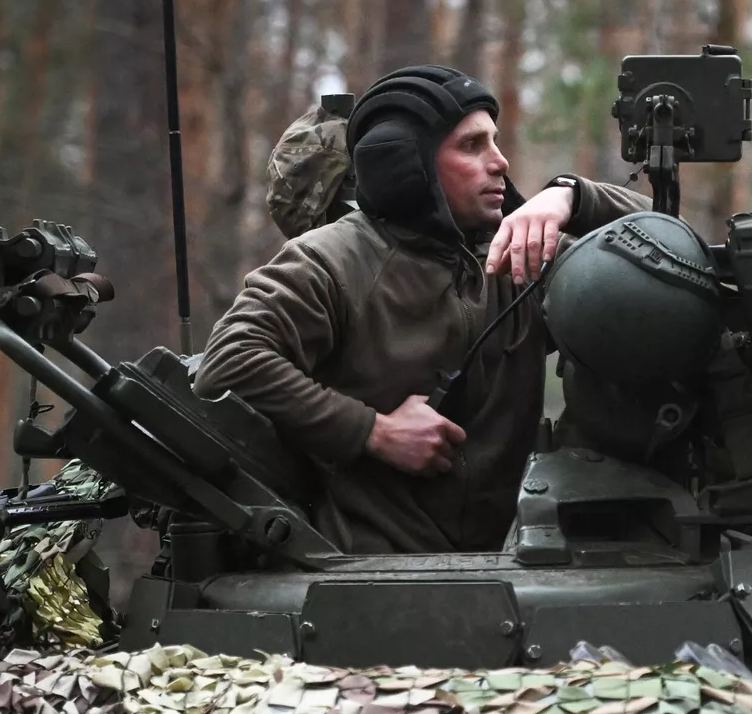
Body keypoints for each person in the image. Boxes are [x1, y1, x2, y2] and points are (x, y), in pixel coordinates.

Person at [193, 65, 647, 554]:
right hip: (366, 576)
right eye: (472, 146)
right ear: (407, 165)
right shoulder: (332, 260)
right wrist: (372, 431)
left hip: (503, 569)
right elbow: (229, 362)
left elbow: (673, 258)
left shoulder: (517, 257)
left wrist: (572, 196)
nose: (500, 162)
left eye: (494, 141)